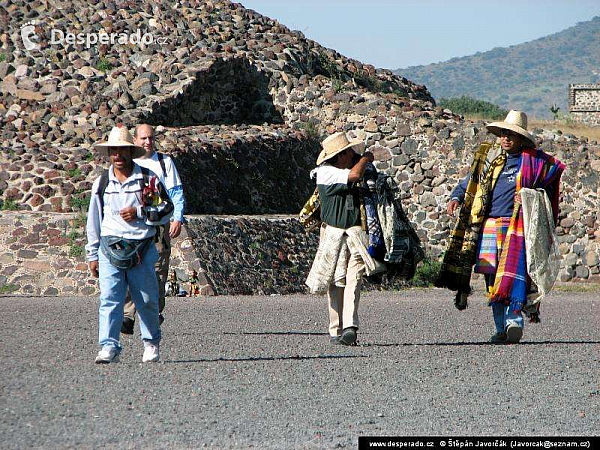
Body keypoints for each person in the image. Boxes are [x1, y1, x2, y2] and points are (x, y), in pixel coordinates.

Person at [437, 111, 565, 344]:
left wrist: (528, 195)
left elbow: (548, 189)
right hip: (488, 226)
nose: (506, 139)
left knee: (516, 275)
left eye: (511, 135)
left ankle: (514, 321)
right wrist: (456, 196)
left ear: (521, 139)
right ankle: (499, 328)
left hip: (516, 227)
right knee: (491, 277)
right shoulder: (490, 160)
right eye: (503, 134)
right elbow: (469, 183)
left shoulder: (534, 163)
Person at [86, 125, 173, 363]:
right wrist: (92, 254)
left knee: (146, 298)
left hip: (142, 248)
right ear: (109, 154)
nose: (118, 155)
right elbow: (94, 219)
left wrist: (140, 212)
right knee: (110, 298)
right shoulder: (102, 183)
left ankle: (151, 343)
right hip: (109, 247)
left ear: (130, 152)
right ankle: (108, 346)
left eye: (123, 150)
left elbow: (165, 209)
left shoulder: (146, 179)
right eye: (114, 150)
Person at [305, 132, 385, 346]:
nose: (352, 155)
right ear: (339, 155)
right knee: (335, 282)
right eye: (349, 152)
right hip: (333, 235)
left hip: (354, 235)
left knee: (354, 278)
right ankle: (336, 329)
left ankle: (350, 326)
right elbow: (355, 176)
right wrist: (365, 159)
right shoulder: (326, 174)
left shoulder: (344, 170)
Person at [121, 124, 186, 335]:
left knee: (158, 268)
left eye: (151, 138)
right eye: (143, 138)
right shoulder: (128, 163)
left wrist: (177, 218)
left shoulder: (164, 163)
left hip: (158, 225)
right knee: (129, 266)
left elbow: (176, 192)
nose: (148, 142)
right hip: (132, 225)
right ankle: (128, 315)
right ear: (135, 141)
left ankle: (154, 311)